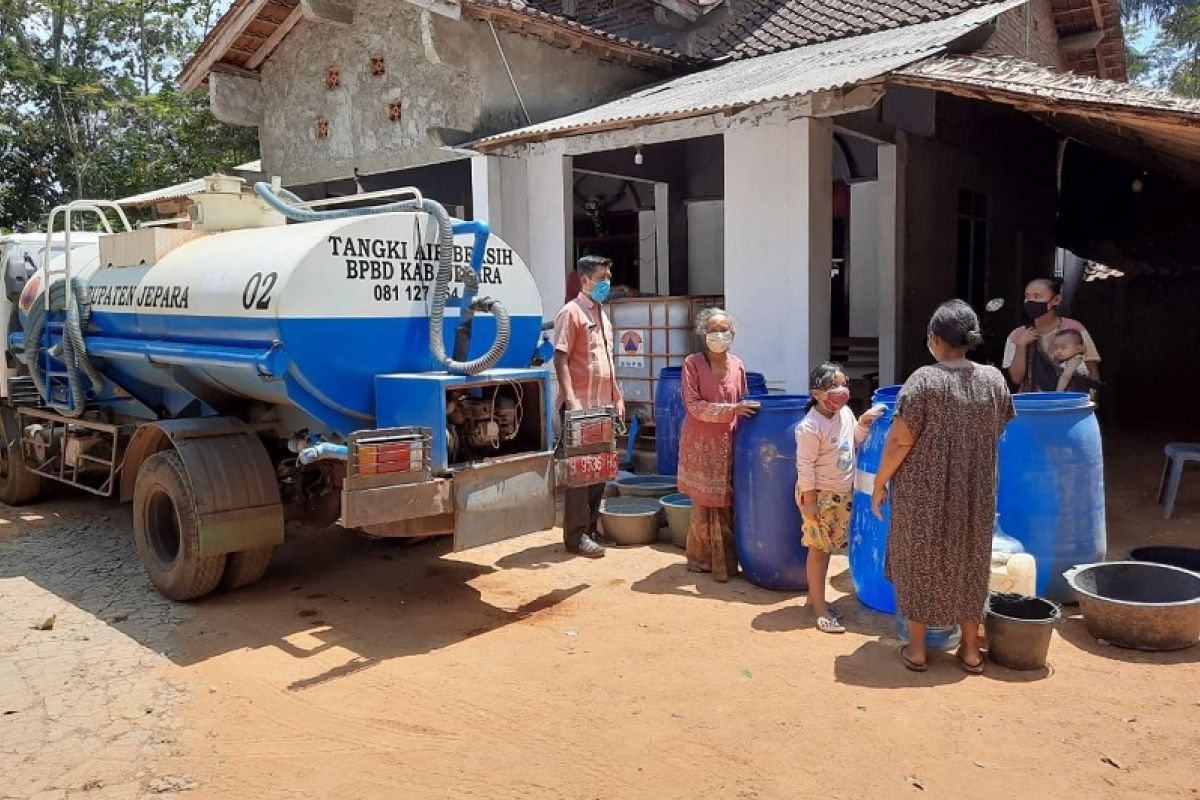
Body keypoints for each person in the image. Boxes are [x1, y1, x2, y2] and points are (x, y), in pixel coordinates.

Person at [871, 300, 1014, 674]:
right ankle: (969, 650)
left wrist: (880, 483)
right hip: (976, 492)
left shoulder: (924, 381)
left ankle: (917, 650)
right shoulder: (994, 380)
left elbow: (899, 440)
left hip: (923, 494)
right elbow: (999, 427)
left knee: (920, 560)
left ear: (934, 338)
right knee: (971, 562)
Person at [795, 363, 883, 633]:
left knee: (828, 548)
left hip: (841, 494)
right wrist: (809, 503)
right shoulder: (810, 427)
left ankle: (815, 598)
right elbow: (805, 467)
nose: (841, 390)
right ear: (817, 392)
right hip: (819, 496)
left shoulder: (844, 413)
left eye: (843, 383)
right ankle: (820, 609)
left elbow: (851, 441)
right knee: (818, 550)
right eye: (833, 385)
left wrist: (864, 422)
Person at [676, 308, 758, 581]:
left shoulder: (738, 364)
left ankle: (730, 559)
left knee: (730, 501)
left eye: (723, 330)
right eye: (713, 330)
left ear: (732, 334)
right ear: (703, 334)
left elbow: (743, 401)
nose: (718, 335)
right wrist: (731, 409)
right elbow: (694, 405)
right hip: (701, 443)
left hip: (731, 441)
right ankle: (703, 559)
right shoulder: (692, 363)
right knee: (705, 502)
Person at [553, 255, 625, 558]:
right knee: (579, 474)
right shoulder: (571, 313)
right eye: (601, 278)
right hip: (580, 406)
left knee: (599, 470)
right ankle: (575, 536)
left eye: (608, 277)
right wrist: (570, 398)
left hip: (603, 405)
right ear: (584, 281)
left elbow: (607, 362)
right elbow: (560, 357)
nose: (606, 283)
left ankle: (591, 529)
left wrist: (618, 396)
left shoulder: (602, 315)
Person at [1003, 277, 1100, 392]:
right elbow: (1016, 379)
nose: (1030, 301)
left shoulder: (1075, 328)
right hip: (1033, 404)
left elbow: (1092, 368)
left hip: (1068, 403)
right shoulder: (1017, 335)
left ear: (1056, 299)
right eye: (1027, 297)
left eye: (1037, 296)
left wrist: (1093, 399)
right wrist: (1021, 345)